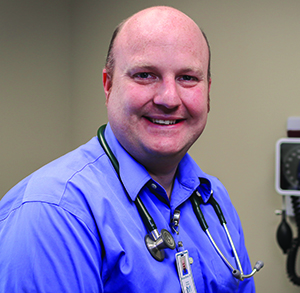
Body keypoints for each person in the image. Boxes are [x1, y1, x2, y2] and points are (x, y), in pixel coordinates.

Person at [0, 6, 257, 292]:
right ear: (108, 85)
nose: (169, 98)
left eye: (187, 78)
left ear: (208, 91)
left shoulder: (213, 199)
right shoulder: (53, 213)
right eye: (145, 75)